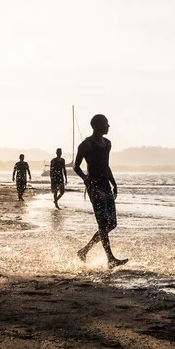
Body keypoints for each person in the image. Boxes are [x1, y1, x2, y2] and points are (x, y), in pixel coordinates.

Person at [73, 114, 127, 268]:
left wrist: (114, 183)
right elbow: (76, 166)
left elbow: (106, 166)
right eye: (106, 124)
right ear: (97, 126)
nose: (108, 126)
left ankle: (84, 251)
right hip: (94, 187)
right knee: (103, 223)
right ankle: (110, 259)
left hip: (106, 186)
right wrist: (85, 178)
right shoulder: (86, 145)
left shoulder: (107, 143)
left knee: (112, 223)